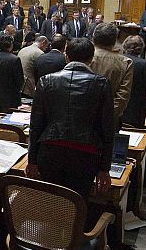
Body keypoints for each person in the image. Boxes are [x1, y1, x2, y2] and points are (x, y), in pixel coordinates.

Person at [27, 38, 114, 199]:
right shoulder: (102, 84)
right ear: (91, 58)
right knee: (77, 204)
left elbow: (36, 124)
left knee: (49, 200)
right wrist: (105, 168)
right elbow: (107, 128)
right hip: (85, 154)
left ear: (66, 56)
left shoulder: (46, 81)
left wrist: (31, 160)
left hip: (49, 150)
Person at [90, 23, 132, 119]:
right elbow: (123, 96)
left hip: (81, 113)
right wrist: (108, 115)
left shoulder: (83, 55)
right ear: (114, 40)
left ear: (93, 38)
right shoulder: (126, 62)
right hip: (109, 117)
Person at [120, 36, 146, 128]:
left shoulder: (117, 61)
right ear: (141, 48)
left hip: (116, 108)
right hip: (137, 111)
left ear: (124, 46)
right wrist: (142, 105)